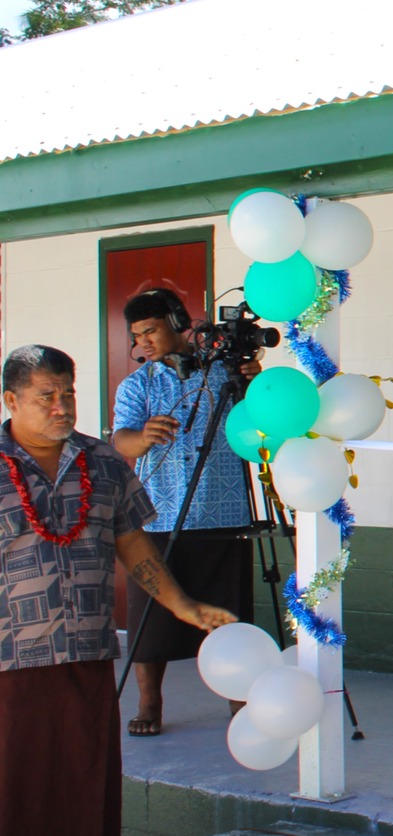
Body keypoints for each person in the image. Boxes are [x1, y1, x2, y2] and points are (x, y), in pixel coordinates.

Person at [0, 345, 237, 836]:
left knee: (86, 770)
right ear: (11, 401)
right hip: (9, 654)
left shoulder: (102, 462)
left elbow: (134, 544)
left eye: (68, 394)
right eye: (46, 396)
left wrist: (183, 606)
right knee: (12, 776)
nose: (62, 406)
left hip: (87, 645)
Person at [111, 289, 257, 737]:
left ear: (177, 322)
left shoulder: (224, 373)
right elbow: (120, 440)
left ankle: (239, 697)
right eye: (137, 336)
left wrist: (252, 383)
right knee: (150, 620)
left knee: (229, 615)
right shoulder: (138, 385)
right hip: (160, 515)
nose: (143, 343)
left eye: (150, 331)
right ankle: (150, 702)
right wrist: (143, 437)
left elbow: (257, 424)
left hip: (224, 514)